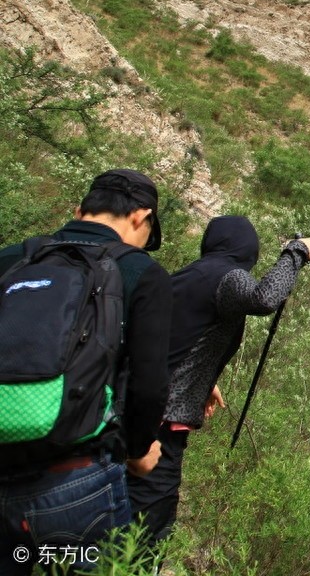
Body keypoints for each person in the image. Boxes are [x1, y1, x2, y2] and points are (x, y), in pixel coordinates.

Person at [0, 169, 171, 574]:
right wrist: (138, 451)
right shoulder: (139, 271)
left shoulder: (11, 258)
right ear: (141, 216)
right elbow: (149, 384)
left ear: (79, 211)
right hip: (75, 480)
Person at [127, 217, 310, 545]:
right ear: (248, 250)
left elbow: (175, 341)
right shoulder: (228, 276)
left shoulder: (188, 276)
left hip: (136, 411)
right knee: (149, 525)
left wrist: (205, 380)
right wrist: (297, 251)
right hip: (161, 424)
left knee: (126, 509)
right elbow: (264, 299)